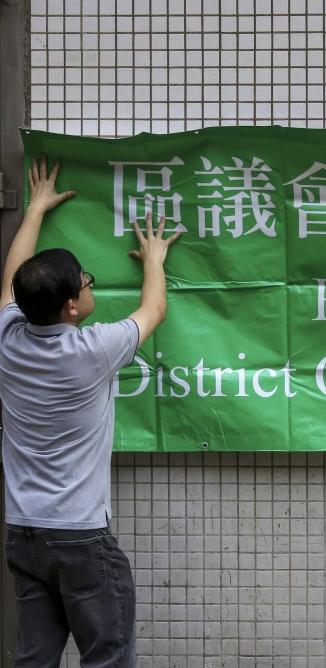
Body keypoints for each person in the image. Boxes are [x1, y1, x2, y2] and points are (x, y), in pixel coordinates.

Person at [0, 155, 181, 667]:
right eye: (87, 281)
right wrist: (154, 259)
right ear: (71, 309)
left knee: (34, 657)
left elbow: (13, 280)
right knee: (107, 655)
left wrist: (34, 209)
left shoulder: (7, 337)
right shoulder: (90, 351)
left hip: (25, 533)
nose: (90, 284)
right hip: (79, 536)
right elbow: (154, 311)